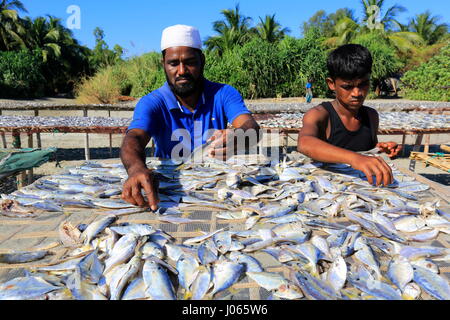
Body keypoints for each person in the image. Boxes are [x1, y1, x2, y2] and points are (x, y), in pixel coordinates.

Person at [120, 24, 260, 210]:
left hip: (216, 187)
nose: (182, 71)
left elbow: (250, 126)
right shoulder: (152, 102)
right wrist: (136, 169)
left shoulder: (224, 93)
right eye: (173, 63)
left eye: (190, 62)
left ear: (202, 61)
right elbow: (134, 137)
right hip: (169, 187)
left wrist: (238, 136)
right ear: (163, 64)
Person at [297, 44, 402, 187]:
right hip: (329, 190)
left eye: (363, 85)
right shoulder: (319, 115)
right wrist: (355, 159)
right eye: (347, 87)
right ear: (331, 84)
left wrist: (380, 148)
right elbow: (305, 143)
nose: (357, 93)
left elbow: (364, 150)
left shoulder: (371, 116)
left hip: (364, 191)